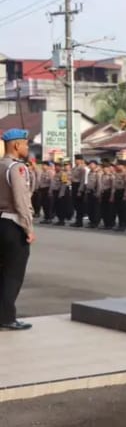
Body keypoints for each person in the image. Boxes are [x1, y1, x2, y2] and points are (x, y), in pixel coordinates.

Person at [0, 129, 35, 330]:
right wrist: (28, 228)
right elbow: (21, 200)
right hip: (13, 224)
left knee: (2, 272)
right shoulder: (16, 168)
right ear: (16, 145)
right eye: (25, 144)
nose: (27, 147)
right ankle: (7, 317)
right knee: (13, 274)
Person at [112, 160, 126, 231]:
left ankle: (124, 225)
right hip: (117, 192)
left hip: (123, 192)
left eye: (118, 165)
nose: (116, 166)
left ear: (123, 166)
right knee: (118, 209)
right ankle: (120, 224)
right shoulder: (117, 173)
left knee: (123, 210)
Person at [70, 154, 88, 227]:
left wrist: (80, 190)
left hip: (79, 186)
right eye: (75, 159)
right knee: (75, 205)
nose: (76, 161)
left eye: (77, 159)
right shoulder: (74, 168)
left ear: (81, 160)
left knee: (79, 205)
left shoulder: (82, 169)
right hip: (74, 186)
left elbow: (82, 180)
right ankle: (77, 220)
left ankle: (79, 221)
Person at [85, 160, 102, 229]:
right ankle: (91, 221)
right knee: (90, 208)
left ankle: (95, 222)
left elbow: (99, 184)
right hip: (89, 191)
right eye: (89, 164)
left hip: (95, 192)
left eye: (92, 164)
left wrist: (98, 193)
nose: (90, 166)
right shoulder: (90, 172)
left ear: (95, 165)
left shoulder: (98, 173)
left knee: (95, 208)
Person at [99, 161, 115, 229]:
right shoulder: (102, 175)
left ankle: (110, 224)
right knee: (103, 209)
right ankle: (105, 223)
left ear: (108, 168)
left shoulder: (112, 176)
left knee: (109, 210)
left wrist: (112, 196)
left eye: (105, 168)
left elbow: (113, 187)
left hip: (109, 193)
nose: (104, 169)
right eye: (103, 168)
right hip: (103, 193)